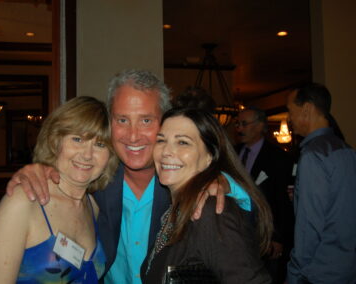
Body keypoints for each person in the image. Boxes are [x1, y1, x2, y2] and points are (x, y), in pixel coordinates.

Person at [5, 70, 226, 284]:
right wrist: (38, 169)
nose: (133, 135)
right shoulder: (93, 182)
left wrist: (220, 182)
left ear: (165, 123)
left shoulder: (186, 182)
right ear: (109, 122)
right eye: (122, 120)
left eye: (146, 121)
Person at [0, 96, 118, 283]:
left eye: (100, 145)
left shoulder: (93, 206)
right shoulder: (23, 202)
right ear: (55, 141)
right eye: (77, 139)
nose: (87, 154)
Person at [142, 107, 273, 283]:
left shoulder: (211, 212)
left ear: (209, 157)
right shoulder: (174, 210)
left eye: (183, 142)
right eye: (161, 140)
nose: (166, 151)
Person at [286, 83, 356, 283]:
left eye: (290, 111)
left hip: (320, 272)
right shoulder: (347, 150)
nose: (289, 119)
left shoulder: (313, 155)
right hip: (348, 268)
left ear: (306, 109)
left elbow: (309, 229)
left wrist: (294, 274)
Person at [235, 107, 294, 283]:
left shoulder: (277, 157)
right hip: (237, 233)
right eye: (237, 124)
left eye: (244, 124)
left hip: (265, 235)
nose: (239, 129)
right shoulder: (234, 152)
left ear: (260, 126)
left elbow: (281, 202)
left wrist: (277, 237)